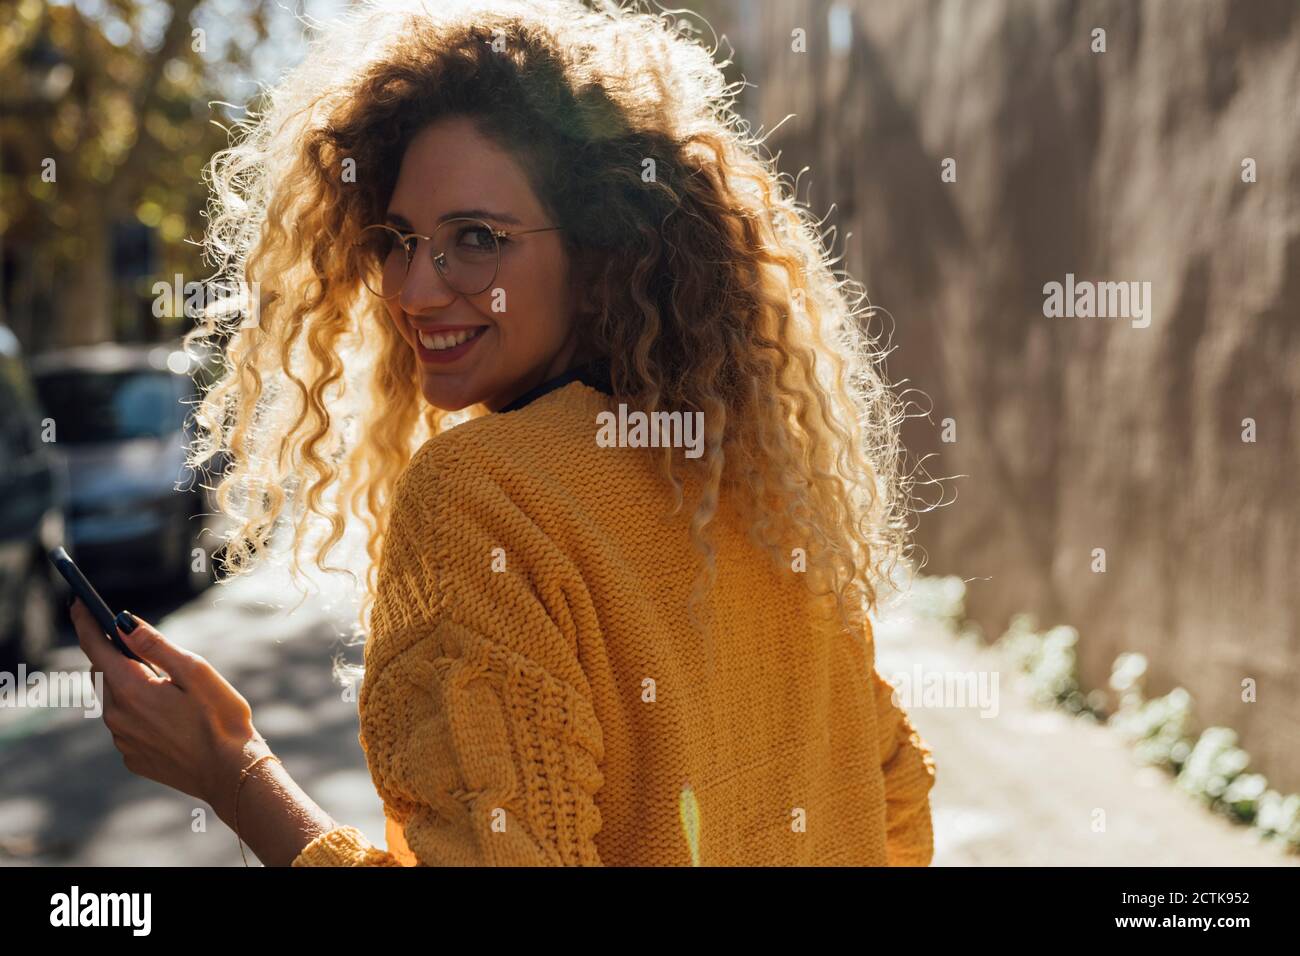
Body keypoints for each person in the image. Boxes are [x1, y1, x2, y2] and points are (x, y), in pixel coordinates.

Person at [71, 0, 936, 866]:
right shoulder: (750, 471)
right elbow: (893, 809)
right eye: (401, 240)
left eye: (476, 239)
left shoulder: (483, 492)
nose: (414, 289)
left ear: (602, 252)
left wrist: (233, 770)